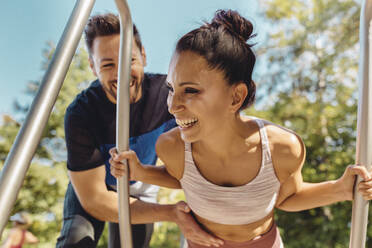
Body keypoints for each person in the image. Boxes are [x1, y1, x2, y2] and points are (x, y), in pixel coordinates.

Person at [110, 9, 372, 248]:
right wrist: (141, 172)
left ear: (235, 97)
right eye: (171, 89)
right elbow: (183, 178)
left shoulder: (281, 149)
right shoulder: (172, 146)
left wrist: (340, 188)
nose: (173, 106)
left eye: (190, 90)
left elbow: (288, 198)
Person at [56, 13, 223, 248]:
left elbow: (206, 150)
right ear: (93, 67)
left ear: (143, 56)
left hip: (141, 183)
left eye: (129, 61)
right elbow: (94, 199)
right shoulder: (82, 114)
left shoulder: (169, 96)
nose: (121, 73)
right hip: (96, 187)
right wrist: (170, 213)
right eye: (108, 65)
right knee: (76, 239)